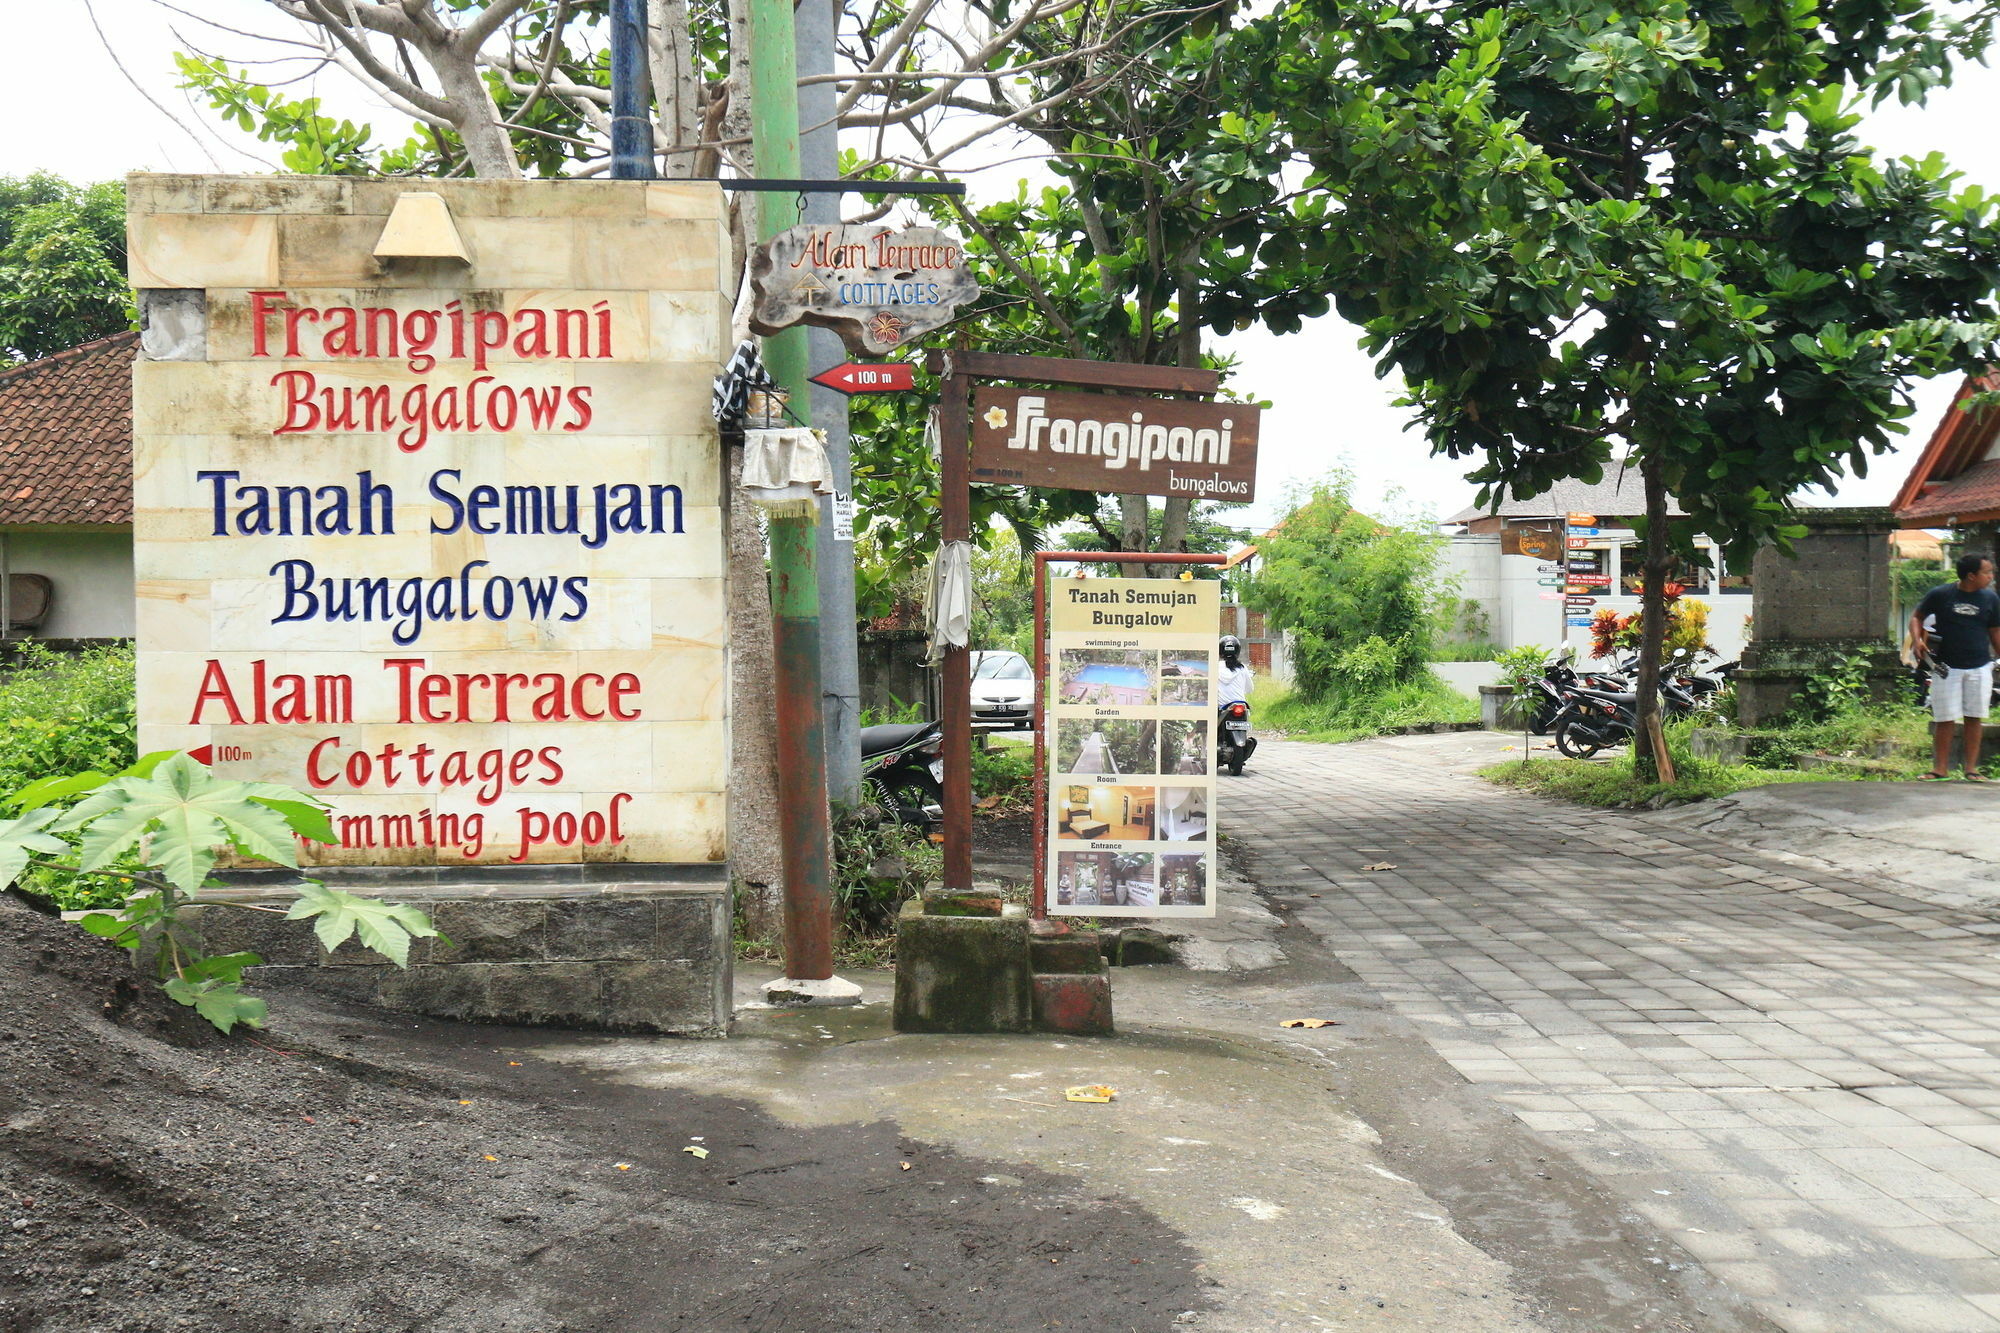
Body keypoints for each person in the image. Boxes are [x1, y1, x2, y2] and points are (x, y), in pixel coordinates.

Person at [1911, 553, 2000, 781]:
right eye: (1987, 572)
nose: (1991, 576)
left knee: (1974, 717)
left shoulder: (1991, 599)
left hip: (1979, 666)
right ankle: (1940, 769)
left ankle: (1971, 769)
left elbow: (1995, 632)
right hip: (1945, 667)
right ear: (1971, 576)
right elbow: (1916, 617)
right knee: (1945, 718)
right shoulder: (1941, 594)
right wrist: (1917, 640)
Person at [1216, 635, 1252, 707]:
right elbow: (1249, 689)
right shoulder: (1242, 668)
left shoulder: (1216, 667)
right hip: (1240, 704)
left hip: (1222, 706)